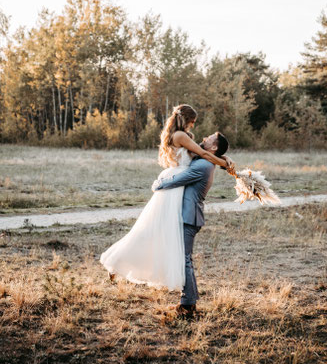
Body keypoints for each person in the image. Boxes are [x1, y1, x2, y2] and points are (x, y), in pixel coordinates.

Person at [99, 104, 233, 304]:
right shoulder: (181, 136)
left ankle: (186, 299)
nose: (197, 129)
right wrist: (225, 164)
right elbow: (203, 154)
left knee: (154, 235)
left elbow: (201, 154)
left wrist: (223, 157)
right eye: (193, 121)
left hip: (177, 190)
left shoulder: (184, 137)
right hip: (173, 187)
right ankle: (119, 263)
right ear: (186, 119)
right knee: (149, 233)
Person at [152, 128, 230, 318]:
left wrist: (158, 184)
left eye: (209, 138)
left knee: (185, 259)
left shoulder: (203, 165)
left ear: (213, 147)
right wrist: (225, 161)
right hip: (188, 216)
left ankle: (188, 305)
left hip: (189, 217)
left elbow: (178, 180)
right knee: (184, 259)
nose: (204, 138)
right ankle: (188, 303)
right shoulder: (204, 161)